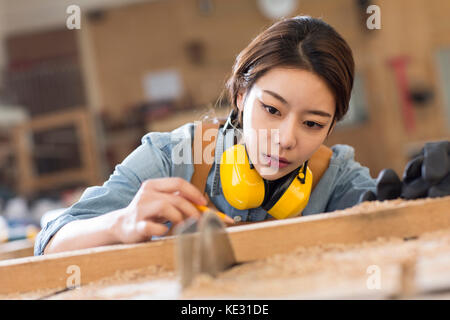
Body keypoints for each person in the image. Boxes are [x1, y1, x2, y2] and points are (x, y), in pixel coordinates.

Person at [35, 16, 449, 256]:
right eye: (271, 110)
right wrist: (121, 222)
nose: (285, 140)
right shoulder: (172, 155)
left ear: (331, 127)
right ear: (239, 95)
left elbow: (391, 216)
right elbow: (49, 243)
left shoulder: (336, 177)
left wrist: (424, 202)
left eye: (312, 124)